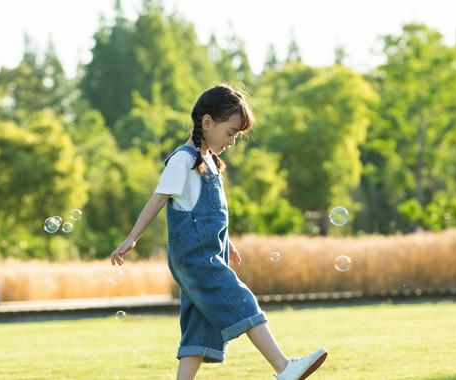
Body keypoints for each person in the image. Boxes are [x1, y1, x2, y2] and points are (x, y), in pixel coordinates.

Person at [111, 83, 327, 380]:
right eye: (230, 132)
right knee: (241, 299)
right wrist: (131, 238)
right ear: (207, 122)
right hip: (197, 259)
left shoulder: (210, 162)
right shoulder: (183, 161)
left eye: (237, 135)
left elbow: (210, 216)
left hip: (209, 254)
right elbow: (157, 199)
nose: (233, 141)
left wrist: (229, 243)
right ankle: (284, 367)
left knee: (197, 327)